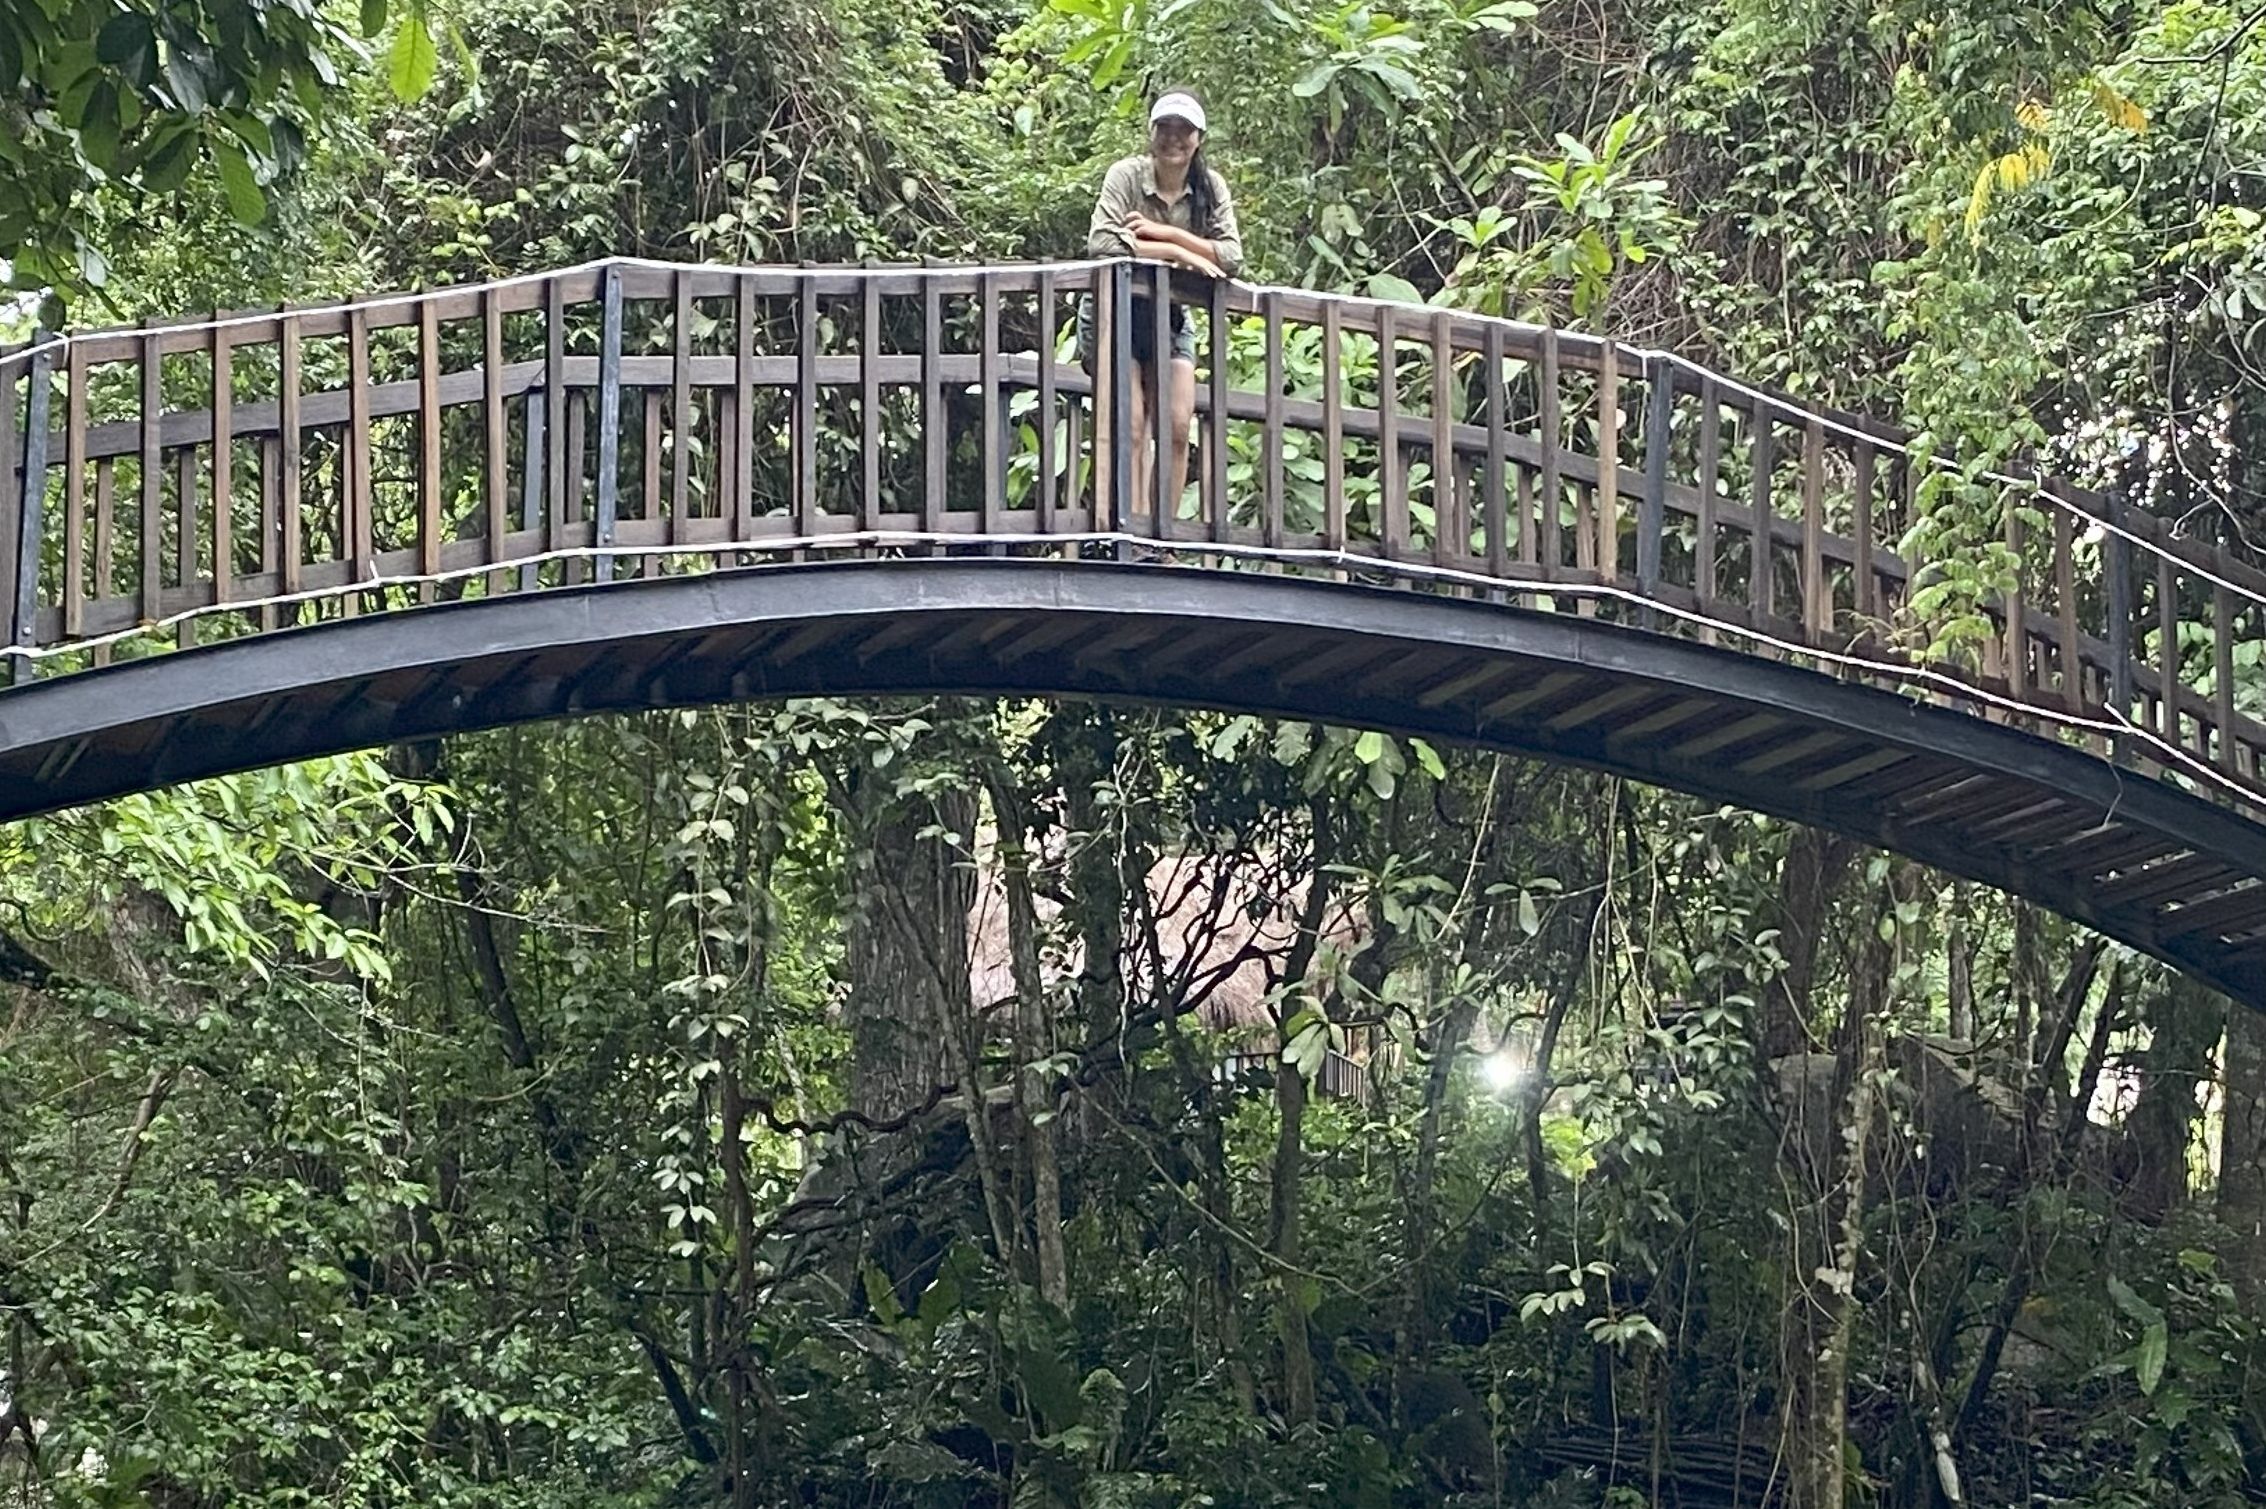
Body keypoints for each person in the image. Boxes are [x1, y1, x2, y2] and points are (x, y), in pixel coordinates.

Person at [1085, 90, 1243, 518]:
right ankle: (1131, 532)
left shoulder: (1208, 188)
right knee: (1131, 425)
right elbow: (1101, 244)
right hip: (1113, 312)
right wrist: (1182, 257)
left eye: (1184, 130)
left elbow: (1231, 257)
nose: (1174, 138)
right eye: (1165, 128)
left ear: (1199, 138)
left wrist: (1169, 237)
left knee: (1176, 426)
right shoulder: (1127, 176)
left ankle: (1163, 537)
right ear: (1151, 132)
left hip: (1170, 319)